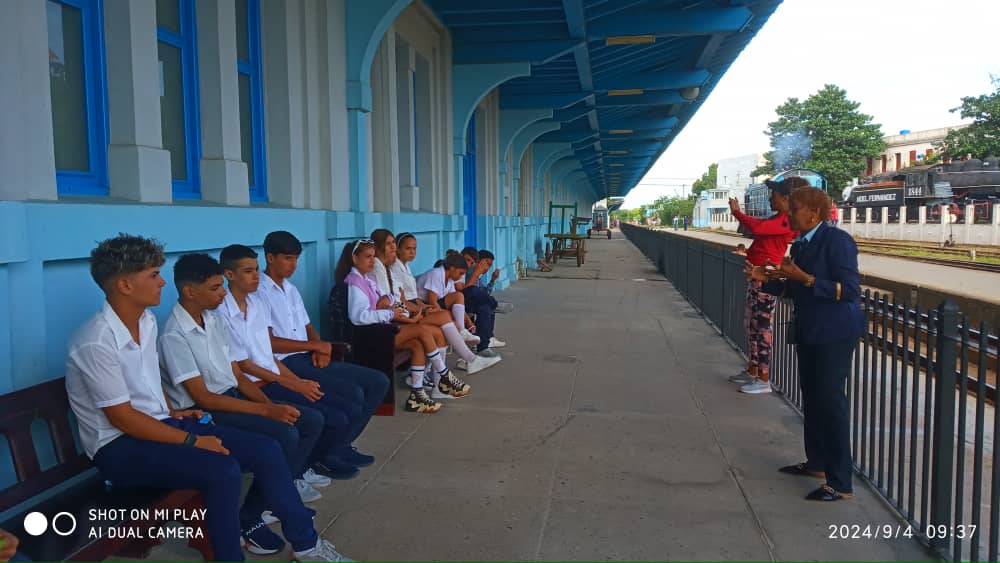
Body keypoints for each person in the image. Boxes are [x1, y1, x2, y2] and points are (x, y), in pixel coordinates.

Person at [66, 234, 348, 561]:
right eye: (154, 275)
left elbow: (146, 384)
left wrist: (172, 411)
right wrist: (193, 440)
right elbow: (123, 418)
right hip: (118, 447)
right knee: (222, 469)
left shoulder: (145, 322)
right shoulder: (96, 341)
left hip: (159, 425)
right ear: (125, 285)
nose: (162, 282)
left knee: (267, 449)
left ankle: (306, 546)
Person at [159, 253, 329, 553]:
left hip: (232, 397)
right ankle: (275, 524)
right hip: (208, 412)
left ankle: (262, 506)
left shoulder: (213, 320)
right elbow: (203, 397)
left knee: (308, 420)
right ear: (189, 291)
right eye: (215, 288)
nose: (222, 293)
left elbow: (237, 374)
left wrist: (269, 406)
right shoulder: (174, 335)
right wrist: (266, 410)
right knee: (282, 436)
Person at [748, 186, 864, 502]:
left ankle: (840, 482)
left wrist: (806, 278)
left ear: (813, 212)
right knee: (812, 397)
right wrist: (767, 280)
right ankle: (817, 463)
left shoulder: (837, 241)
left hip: (835, 331)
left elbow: (850, 291)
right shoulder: (800, 243)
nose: (789, 213)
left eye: (795, 208)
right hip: (810, 329)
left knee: (831, 402)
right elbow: (796, 289)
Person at [218, 244, 359, 482]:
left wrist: (298, 382)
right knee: (315, 419)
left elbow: (267, 356)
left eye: (256, 269)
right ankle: (293, 476)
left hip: (274, 377)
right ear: (229, 274)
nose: (256, 276)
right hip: (252, 386)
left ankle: (307, 465)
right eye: (248, 271)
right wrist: (293, 384)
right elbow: (245, 366)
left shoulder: (256, 304)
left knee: (338, 410)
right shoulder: (221, 312)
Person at [257, 231, 388, 472]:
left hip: (308, 357)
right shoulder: (259, 293)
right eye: (287, 258)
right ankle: (325, 455)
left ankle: (340, 445)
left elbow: (307, 326)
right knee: (352, 394)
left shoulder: (290, 289)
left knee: (378, 381)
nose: (293, 265)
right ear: (270, 257)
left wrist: (321, 347)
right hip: (285, 364)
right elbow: (268, 343)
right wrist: (314, 346)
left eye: (296, 259)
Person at [336, 239, 467, 413]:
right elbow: (358, 317)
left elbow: (389, 296)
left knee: (417, 344)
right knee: (421, 331)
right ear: (354, 258)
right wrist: (390, 313)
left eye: (373, 257)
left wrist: (387, 300)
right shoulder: (354, 282)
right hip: (370, 336)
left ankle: (417, 395)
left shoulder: (368, 279)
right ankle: (444, 374)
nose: (372, 261)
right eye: (367, 257)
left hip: (380, 329)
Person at [373, 231, 500, 381]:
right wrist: (420, 309)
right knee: (445, 318)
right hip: (399, 318)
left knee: (448, 323)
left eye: (414, 248)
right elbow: (392, 300)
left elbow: (406, 298)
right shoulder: (384, 268)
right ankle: (468, 359)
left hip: (410, 310)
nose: (393, 248)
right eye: (390, 244)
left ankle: (438, 379)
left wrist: (421, 307)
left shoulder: (401, 268)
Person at [727, 177, 803, 394]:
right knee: (751, 325)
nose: (771, 199)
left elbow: (758, 228)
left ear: (786, 199)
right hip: (758, 276)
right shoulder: (779, 219)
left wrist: (737, 212)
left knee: (762, 327)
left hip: (767, 278)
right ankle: (753, 369)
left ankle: (764, 377)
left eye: (774, 195)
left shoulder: (784, 221)